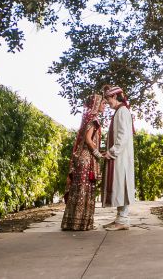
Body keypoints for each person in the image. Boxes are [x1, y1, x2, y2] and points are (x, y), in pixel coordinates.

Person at [61, 93, 104, 231]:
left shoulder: (88, 119)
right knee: (84, 190)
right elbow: (88, 139)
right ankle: (81, 223)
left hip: (81, 159)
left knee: (78, 189)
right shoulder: (94, 120)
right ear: (96, 104)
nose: (104, 106)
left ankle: (72, 222)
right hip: (87, 159)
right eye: (102, 103)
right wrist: (98, 154)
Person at [102, 84, 136, 231]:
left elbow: (122, 136)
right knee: (120, 186)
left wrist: (112, 151)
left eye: (108, 99)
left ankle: (123, 220)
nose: (107, 102)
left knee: (122, 185)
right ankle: (120, 218)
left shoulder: (122, 111)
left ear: (115, 96)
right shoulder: (120, 111)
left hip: (120, 156)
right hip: (119, 156)